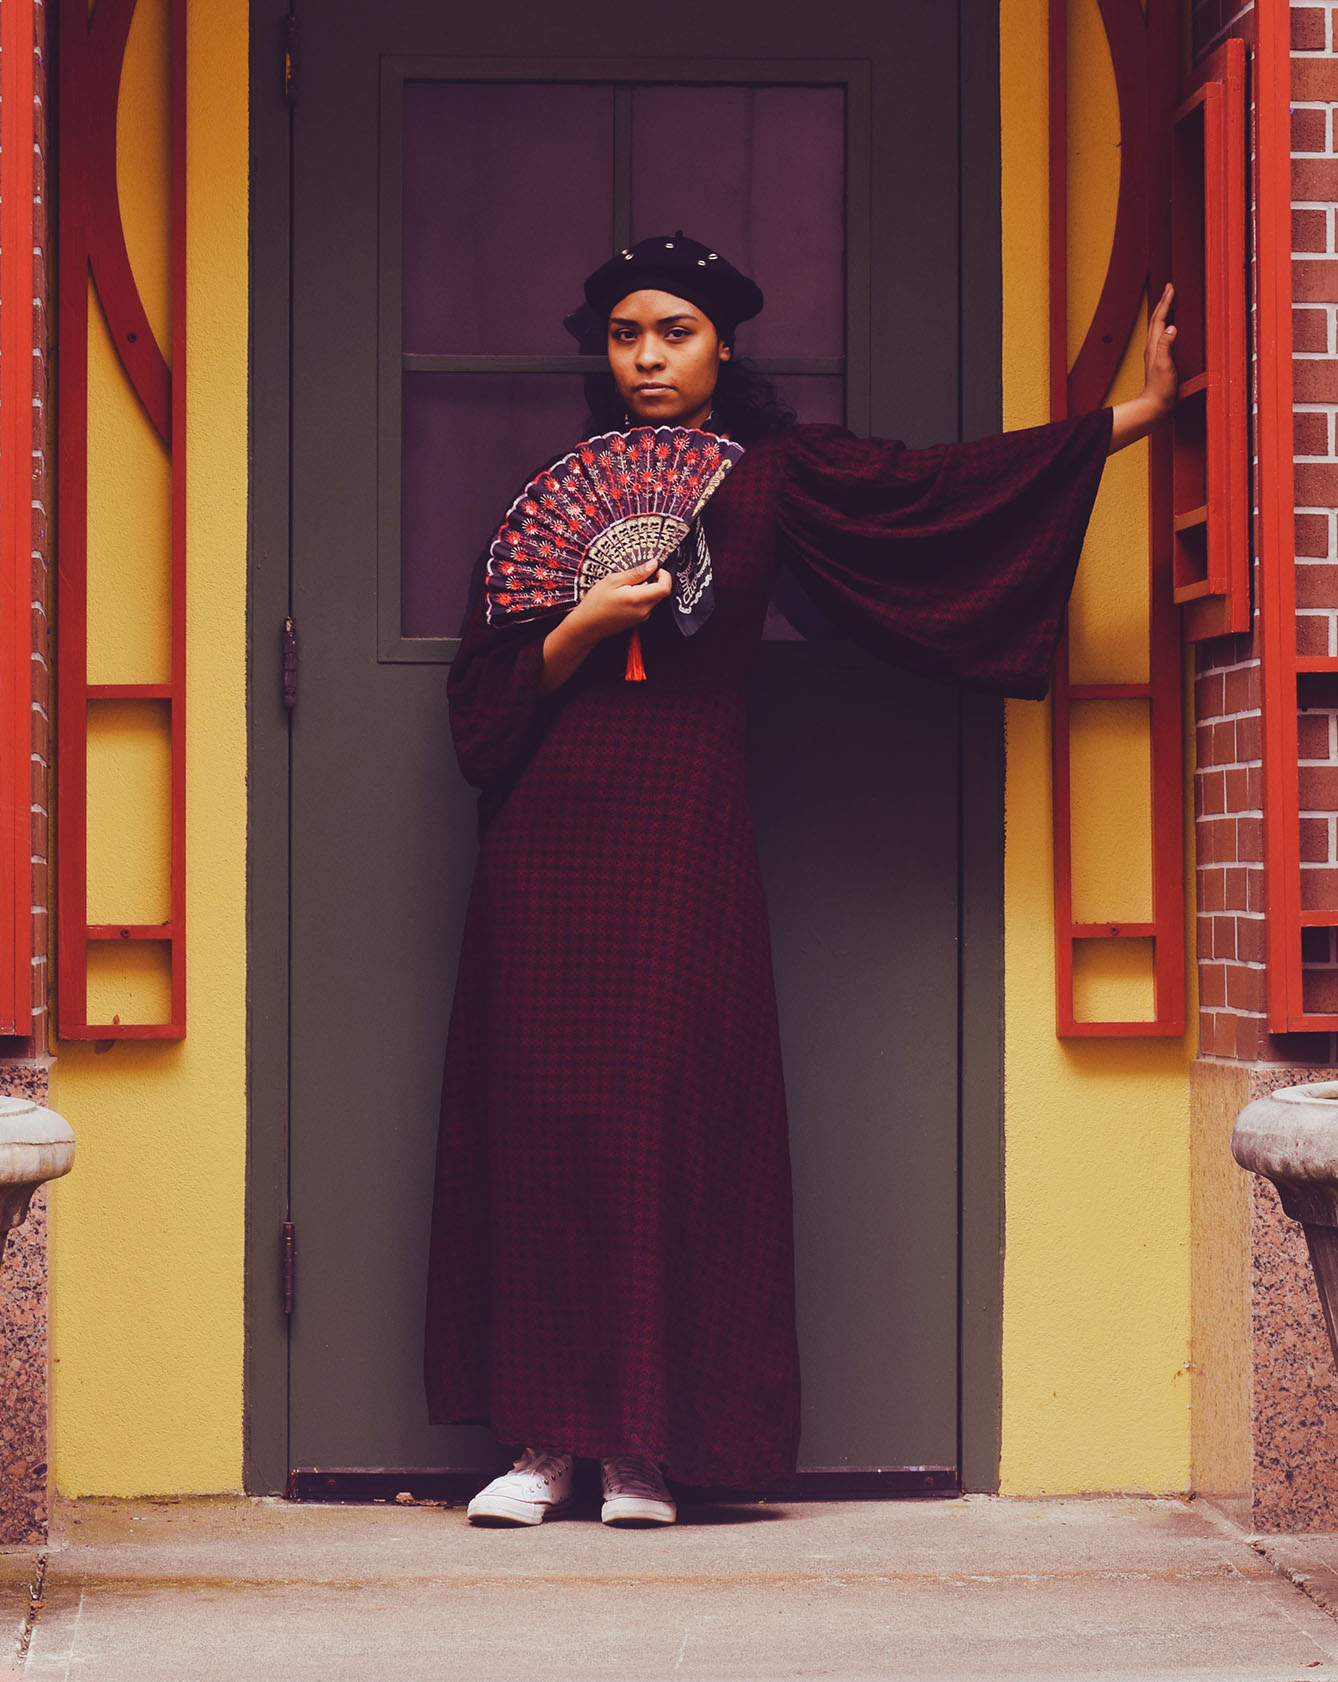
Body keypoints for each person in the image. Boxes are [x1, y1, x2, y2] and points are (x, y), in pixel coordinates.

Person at [431, 232, 1179, 1527]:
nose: (649, 358)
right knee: (542, 1125)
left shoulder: (774, 474)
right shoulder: (558, 493)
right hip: (546, 843)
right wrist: (582, 625)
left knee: (667, 1119)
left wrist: (1138, 416)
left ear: (724, 346)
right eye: (626, 334)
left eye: (676, 332)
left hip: (686, 826)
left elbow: (942, 495)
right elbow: (478, 711)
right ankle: (544, 1447)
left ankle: (646, 1451)